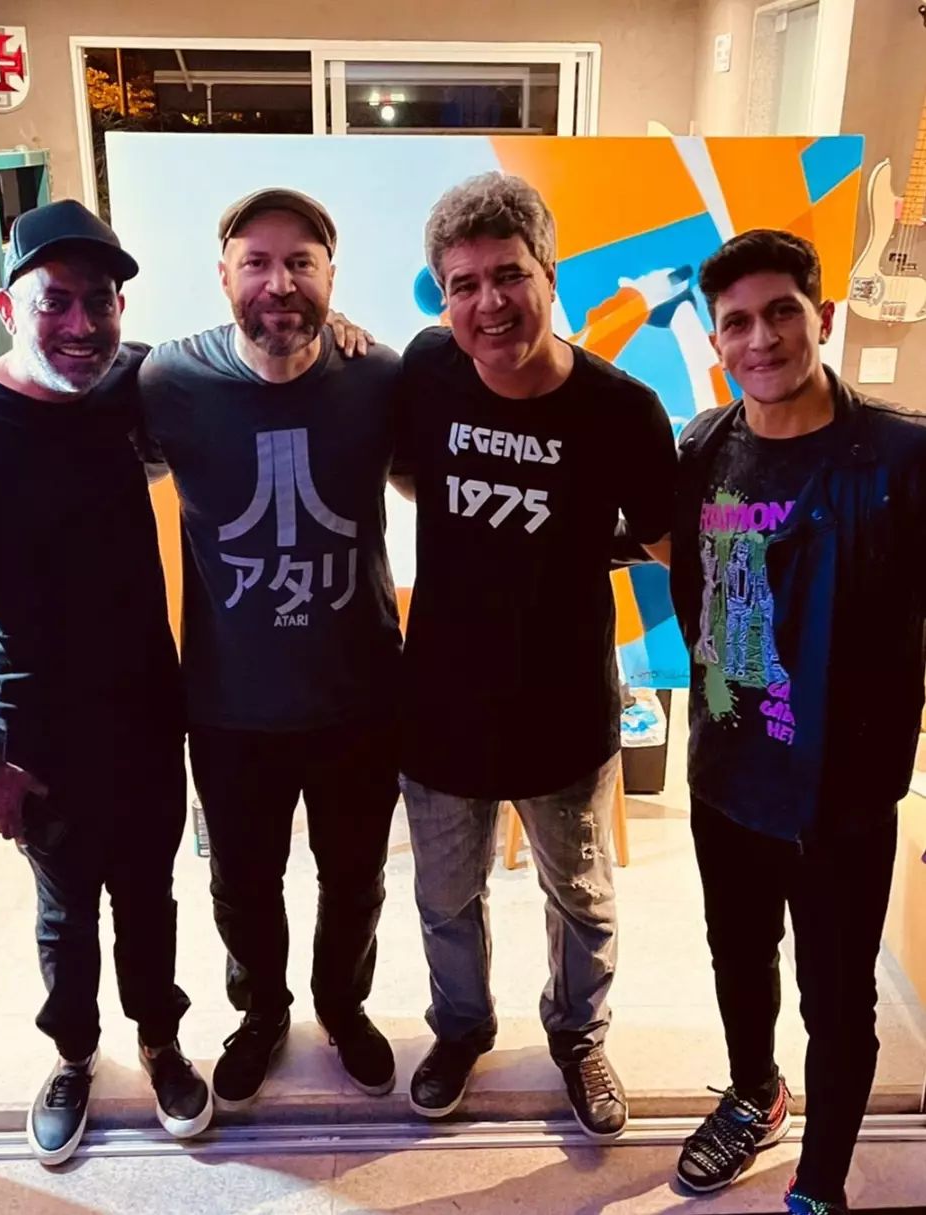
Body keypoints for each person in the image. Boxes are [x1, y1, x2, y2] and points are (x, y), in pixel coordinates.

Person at [390, 172, 677, 1139]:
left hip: (565, 708)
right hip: (440, 702)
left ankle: (579, 1036)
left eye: (509, 274)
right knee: (444, 898)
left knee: (582, 899)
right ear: (443, 295)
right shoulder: (427, 368)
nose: (489, 303)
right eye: (463, 284)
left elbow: (674, 545)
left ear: (550, 275)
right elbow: (407, 471)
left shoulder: (622, 410)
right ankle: (461, 1029)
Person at [670, 229, 926, 1215]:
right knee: (738, 960)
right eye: (737, 322)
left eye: (782, 312)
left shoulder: (900, 457)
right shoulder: (703, 448)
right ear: (715, 341)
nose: (761, 338)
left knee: (838, 998)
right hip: (724, 778)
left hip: (841, 796)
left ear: (821, 318)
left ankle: (821, 1181)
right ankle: (754, 1095)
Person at [0, 200, 211, 1166]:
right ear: (6, 306)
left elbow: (238, 352)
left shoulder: (126, 384)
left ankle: (160, 1039)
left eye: (99, 301)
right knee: (66, 908)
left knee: (150, 892)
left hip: (145, 708)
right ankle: (71, 1054)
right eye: (54, 301)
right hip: (34, 731)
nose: (80, 323)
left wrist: (339, 328)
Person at [138, 189, 402, 1110]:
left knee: (355, 876)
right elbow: (75, 417)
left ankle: (342, 1004)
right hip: (229, 704)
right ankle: (261, 1012)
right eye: (257, 262)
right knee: (243, 882)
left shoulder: (379, 376)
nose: (279, 283)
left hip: (360, 695)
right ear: (223, 276)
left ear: (332, 276)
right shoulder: (169, 380)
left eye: (301, 263)